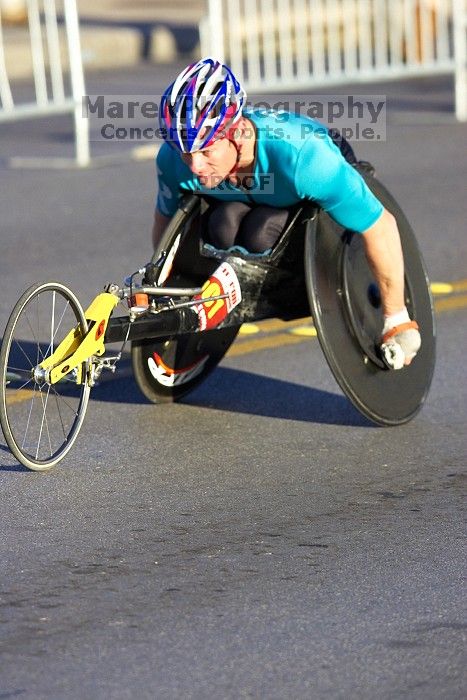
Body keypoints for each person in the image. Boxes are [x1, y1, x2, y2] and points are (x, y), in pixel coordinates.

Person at [153, 57, 421, 369]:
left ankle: (286, 285)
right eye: (186, 153)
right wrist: (158, 283)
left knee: (260, 230)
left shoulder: (307, 160)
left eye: (206, 151)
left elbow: (380, 225)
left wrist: (396, 319)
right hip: (253, 197)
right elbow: (166, 228)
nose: (195, 167)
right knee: (222, 225)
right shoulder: (173, 162)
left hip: (303, 187)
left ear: (236, 131)